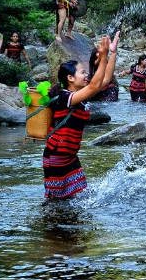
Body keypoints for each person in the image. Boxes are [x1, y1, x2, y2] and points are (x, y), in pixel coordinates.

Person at [42, 34, 114, 199]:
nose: (86, 75)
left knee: (78, 197)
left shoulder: (78, 94)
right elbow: (95, 85)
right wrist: (102, 58)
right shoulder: (65, 97)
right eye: (82, 72)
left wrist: (112, 54)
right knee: (56, 201)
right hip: (57, 155)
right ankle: (51, 223)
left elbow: (105, 80)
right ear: (70, 78)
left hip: (70, 155)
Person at [88, 32, 121, 102]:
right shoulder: (96, 61)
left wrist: (113, 52)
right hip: (99, 85)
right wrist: (104, 54)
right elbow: (97, 61)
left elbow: (107, 78)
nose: (99, 55)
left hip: (108, 87)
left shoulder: (106, 59)